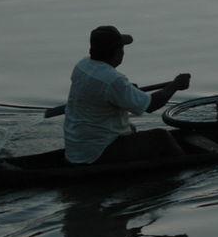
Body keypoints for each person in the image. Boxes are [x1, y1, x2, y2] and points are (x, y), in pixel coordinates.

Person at [64, 25, 192, 165]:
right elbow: (150, 105)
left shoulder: (82, 66)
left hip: (76, 148)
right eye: (122, 48)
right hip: (97, 153)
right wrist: (176, 85)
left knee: (130, 128)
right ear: (117, 52)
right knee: (161, 137)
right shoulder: (113, 80)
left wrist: (128, 90)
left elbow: (100, 91)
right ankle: (187, 169)